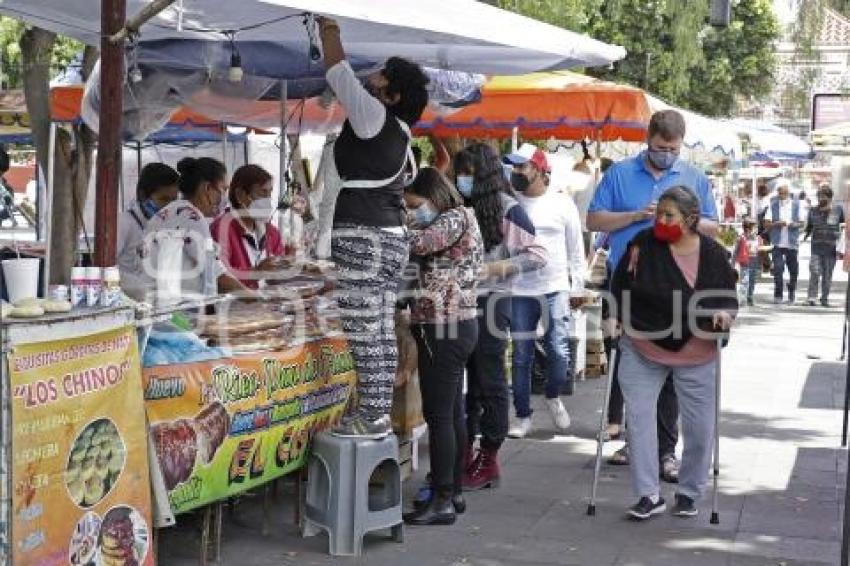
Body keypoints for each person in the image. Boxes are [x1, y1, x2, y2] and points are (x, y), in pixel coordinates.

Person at [587, 109, 719, 480]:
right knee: (629, 365)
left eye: (673, 149)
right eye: (661, 148)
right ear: (648, 141)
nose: (667, 154)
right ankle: (634, 438)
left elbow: (713, 227)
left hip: (677, 284)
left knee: (673, 365)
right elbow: (594, 221)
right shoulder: (620, 174)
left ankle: (665, 449)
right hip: (625, 282)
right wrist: (633, 217)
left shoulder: (693, 177)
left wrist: (682, 221)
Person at [318, 17, 430, 438]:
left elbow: (337, 72)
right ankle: (376, 411)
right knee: (378, 327)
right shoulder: (401, 136)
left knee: (365, 328)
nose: (371, 81)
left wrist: (328, 29)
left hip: (363, 236)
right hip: (388, 238)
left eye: (381, 77)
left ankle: (374, 414)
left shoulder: (374, 119)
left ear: (393, 94)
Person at [611, 186, 737, 520]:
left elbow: (727, 297)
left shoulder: (713, 254)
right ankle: (648, 494)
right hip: (643, 343)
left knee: (699, 428)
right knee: (638, 420)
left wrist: (724, 315)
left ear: (691, 219)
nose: (660, 221)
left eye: (669, 216)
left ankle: (690, 490)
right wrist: (614, 316)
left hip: (696, 350)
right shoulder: (643, 245)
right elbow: (619, 284)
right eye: (658, 214)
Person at [453, 143, 547, 491]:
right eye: (458, 172)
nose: (462, 179)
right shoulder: (459, 206)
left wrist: (495, 268)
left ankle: (489, 455)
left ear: (484, 175)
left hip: (493, 302)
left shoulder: (509, 211)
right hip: (458, 302)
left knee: (489, 379)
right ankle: (464, 453)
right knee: (466, 382)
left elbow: (538, 255)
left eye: (468, 172)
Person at [401, 168, 483, 526]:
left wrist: (396, 226)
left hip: (444, 327)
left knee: (440, 416)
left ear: (433, 197)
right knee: (450, 413)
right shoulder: (462, 216)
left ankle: (444, 498)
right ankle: (453, 492)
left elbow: (416, 244)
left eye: (415, 205)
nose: (412, 213)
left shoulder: (453, 218)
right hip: (455, 324)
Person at [503, 143, 585, 439]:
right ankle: (523, 416)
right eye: (514, 167)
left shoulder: (563, 204)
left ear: (538, 169)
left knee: (559, 352)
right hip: (520, 289)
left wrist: (578, 286)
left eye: (521, 167)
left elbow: (576, 249)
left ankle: (553, 395)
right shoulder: (511, 203)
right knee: (522, 355)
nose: (516, 172)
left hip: (555, 288)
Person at [142, 157, 244, 298]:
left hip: (158, 303)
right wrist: (257, 299)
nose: (225, 198)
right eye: (223, 189)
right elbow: (218, 276)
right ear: (208, 188)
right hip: (175, 309)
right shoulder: (191, 216)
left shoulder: (171, 211)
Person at [210, 164, 293, 289]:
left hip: (267, 304)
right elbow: (220, 280)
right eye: (262, 193)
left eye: (269, 194)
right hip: (235, 306)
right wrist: (257, 272)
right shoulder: (221, 229)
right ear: (240, 195)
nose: (268, 201)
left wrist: (289, 265)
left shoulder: (272, 233)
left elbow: (278, 278)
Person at [117, 163, 180, 299]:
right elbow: (104, 269)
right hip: (129, 301)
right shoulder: (123, 223)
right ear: (143, 195)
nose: (169, 207)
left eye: (174, 200)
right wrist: (138, 288)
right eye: (163, 199)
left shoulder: (168, 227)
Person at [804, 185, 845, 307]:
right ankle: (812, 297)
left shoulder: (838, 210)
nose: (821, 199)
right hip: (816, 247)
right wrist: (805, 234)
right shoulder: (813, 210)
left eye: (823, 197)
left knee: (827, 275)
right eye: (819, 196)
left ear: (830, 198)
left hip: (831, 248)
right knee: (815, 271)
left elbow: (843, 226)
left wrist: (842, 246)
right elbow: (809, 227)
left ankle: (824, 298)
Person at [765, 179, 804, 304]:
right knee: (778, 268)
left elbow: (802, 223)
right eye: (780, 192)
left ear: (789, 192)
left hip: (792, 243)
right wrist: (778, 223)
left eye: (784, 192)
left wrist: (792, 224)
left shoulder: (797, 205)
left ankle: (791, 291)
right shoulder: (773, 205)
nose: (782, 195)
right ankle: (778, 294)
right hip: (777, 243)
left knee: (793, 270)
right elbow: (766, 223)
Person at [733, 218, 765, 306]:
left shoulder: (758, 238)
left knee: (752, 281)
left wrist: (762, 264)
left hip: (755, 262)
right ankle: (742, 299)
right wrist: (732, 264)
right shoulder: (741, 238)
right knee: (745, 281)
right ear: (747, 228)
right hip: (745, 263)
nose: (756, 230)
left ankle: (750, 297)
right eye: (754, 228)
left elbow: (761, 252)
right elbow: (735, 251)